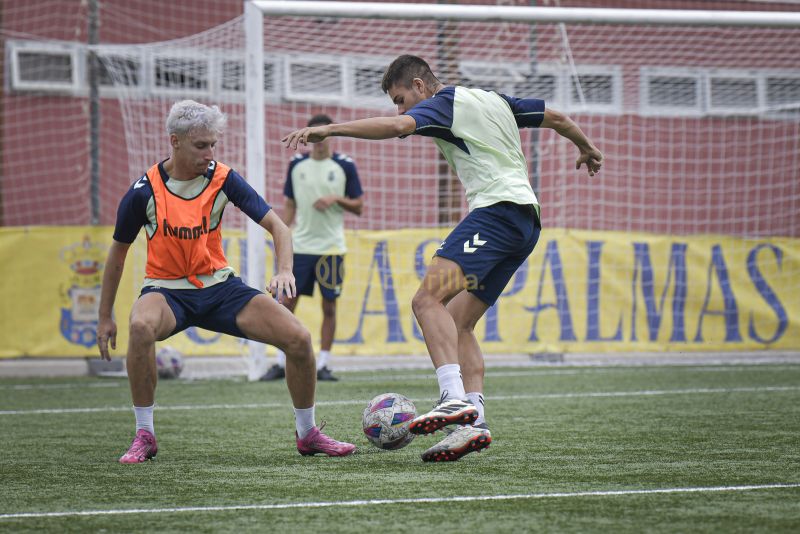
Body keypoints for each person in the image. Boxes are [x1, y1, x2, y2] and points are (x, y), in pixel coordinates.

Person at [282, 55, 602, 462]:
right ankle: (475, 423)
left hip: (497, 212)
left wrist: (329, 129)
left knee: (425, 300)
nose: (401, 110)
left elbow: (398, 127)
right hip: (527, 221)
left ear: (420, 85)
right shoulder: (493, 99)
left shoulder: (443, 102)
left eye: (401, 99)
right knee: (458, 322)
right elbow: (556, 117)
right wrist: (586, 146)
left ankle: (452, 399)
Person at [97, 100, 355, 464]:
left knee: (298, 338)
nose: (210, 153)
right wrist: (104, 315)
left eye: (213, 145)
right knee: (139, 326)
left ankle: (308, 433)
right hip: (167, 292)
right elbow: (118, 253)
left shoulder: (223, 177)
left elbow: (278, 227)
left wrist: (284, 270)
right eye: (201, 145)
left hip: (220, 288)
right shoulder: (144, 190)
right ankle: (145, 434)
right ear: (175, 141)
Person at [260, 114, 364, 383]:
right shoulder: (297, 165)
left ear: (329, 137)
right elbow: (290, 206)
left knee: (329, 307)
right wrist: (281, 236)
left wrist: (335, 198)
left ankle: (324, 364)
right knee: (286, 303)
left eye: (322, 136)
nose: (318, 142)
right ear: (308, 138)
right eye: (313, 137)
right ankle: (280, 360)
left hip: (331, 250)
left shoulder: (344, 166)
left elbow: (359, 206)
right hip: (301, 248)